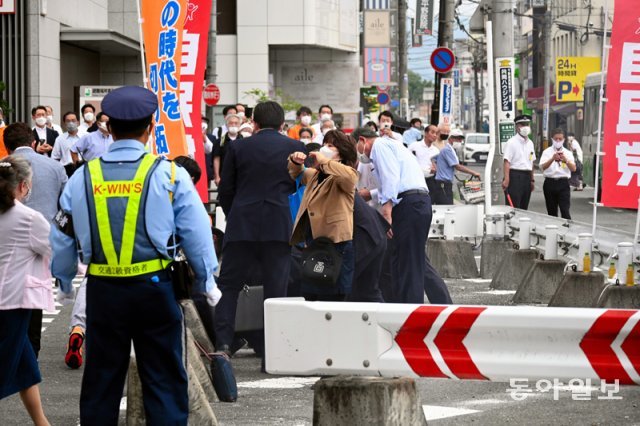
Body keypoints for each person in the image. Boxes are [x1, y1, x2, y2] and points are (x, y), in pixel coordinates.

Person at [50, 86, 220, 424]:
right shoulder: (170, 174)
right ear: (151, 127)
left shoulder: (83, 176)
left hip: (103, 289)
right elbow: (197, 233)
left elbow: (63, 235)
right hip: (155, 288)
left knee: (101, 379)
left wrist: (65, 279)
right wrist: (207, 278)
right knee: (163, 377)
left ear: (108, 128)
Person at [214, 101, 304, 365]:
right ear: (281, 124)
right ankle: (272, 353)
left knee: (229, 286)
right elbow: (298, 187)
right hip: (279, 224)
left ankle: (223, 345)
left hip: (243, 223)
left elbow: (226, 190)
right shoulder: (294, 148)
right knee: (276, 289)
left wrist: (235, 215)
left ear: (254, 122)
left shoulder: (239, 146)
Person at [352, 127, 451, 304]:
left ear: (362, 140)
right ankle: (406, 307)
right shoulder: (390, 146)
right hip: (413, 203)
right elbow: (388, 183)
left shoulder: (380, 145)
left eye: (356, 146)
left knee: (409, 265)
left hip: (409, 203)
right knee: (405, 261)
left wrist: (386, 212)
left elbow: (391, 178)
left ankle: (411, 311)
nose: (358, 153)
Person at [4, 122, 68, 359]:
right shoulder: (54, 167)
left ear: (6, 145)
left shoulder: (3, 168)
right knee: (35, 293)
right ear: (33, 142)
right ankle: (30, 352)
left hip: (6, 242)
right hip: (44, 241)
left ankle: (15, 353)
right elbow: (67, 205)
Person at [0, 156, 52, 426]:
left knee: (24, 366)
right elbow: (54, 251)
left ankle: (42, 423)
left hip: (8, 301)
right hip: (13, 302)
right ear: (22, 186)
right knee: (7, 365)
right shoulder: (28, 218)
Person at [288, 130, 358, 301]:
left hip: (336, 242)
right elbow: (298, 173)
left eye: (330, 146)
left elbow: (348, 177)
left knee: (334, 295)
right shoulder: (315, 174)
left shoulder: (345, 174)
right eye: (324, 144)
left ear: (340, 152)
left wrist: (324, 160)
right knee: (312, 293)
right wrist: (295, 160)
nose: (324, 149)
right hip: (314, 242)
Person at [432, 128, 481, 205]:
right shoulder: (447, 150)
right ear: (451, 138)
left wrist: (437, 167)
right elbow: (458, 166)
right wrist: (474, 172)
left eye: (461, 139)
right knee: (446, 208)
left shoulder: (450, 150)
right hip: (443, 184)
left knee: (446, 207)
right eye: (458, 139)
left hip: (445, 184)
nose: (460, 141)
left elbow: (434, 159)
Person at [539, 128, 576, 219]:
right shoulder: (547, 152)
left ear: (564, 139)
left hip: (563, 183)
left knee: (565, 210)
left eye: (560, 139)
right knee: (552, 212)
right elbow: (542, 167)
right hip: (550, 183)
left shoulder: (567, 153)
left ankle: (567, 230)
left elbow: (573, 168)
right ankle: (553, 231)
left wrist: (565, 160)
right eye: (556, 139)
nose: (558, 141)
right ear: (552, 139)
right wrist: (552, 159)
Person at [502, 114, 536, 209]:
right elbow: (507, 161)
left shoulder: (530, 143)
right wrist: (506, 179)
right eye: (522, 124)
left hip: (527, 177)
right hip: (514, 177)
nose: (525, 127)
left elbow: (531, 162)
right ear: (517, 127)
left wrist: (532, 179)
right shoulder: (511, 142)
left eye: (527, 124)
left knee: (524, 207)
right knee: (513, 207)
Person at [408, 123, 440, 195]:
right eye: (432, 132)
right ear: (425, 133)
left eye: (436, 133)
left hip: (430, 181)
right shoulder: (414, 146)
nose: (435, 135)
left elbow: (437, 167)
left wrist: (435, 169)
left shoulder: (436, 150)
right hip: (415, 181)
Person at [212, 113, 242, 186]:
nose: (233, 125)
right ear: (226, 125)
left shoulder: (243, 140)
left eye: (236, 123)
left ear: (239, 125)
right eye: (231, 123)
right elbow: (216, 159)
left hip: (240, 176)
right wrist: (217, 176)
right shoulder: (220, 141)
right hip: (224, 176)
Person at [52, 111, 82, 177]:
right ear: (64, 123)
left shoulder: (85, 136)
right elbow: (55, 158)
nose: (71, 123)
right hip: (66, 171)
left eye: (73, 120)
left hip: (82, 168)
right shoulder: (60, 139)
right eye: (68, 121)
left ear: (78, 122)